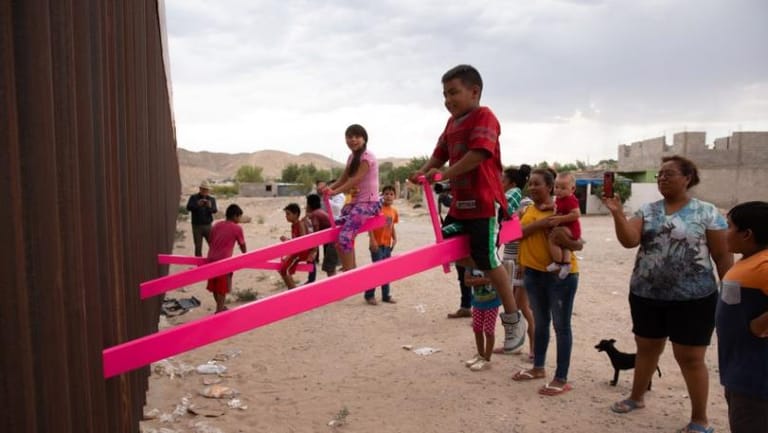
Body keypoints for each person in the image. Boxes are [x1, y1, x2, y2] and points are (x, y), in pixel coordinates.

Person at [603, 155, 733, 433]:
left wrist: (728, 296)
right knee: (647, 348)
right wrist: (616, 213)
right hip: (646, 295)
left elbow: (722, 257)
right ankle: (636, 397)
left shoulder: (707, 212)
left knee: (690, 358)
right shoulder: (647, 211)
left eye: (669, 174)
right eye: (659, 175)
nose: (662, 178)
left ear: (687, 178)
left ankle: (700, 419)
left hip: (695, 299)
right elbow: (629, 241)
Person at [410, 64, 525, 352]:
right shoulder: (451, 125)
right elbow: (438, 155)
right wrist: (422, 173)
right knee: (445, 248)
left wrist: (443, 175)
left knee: (485, 257)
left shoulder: (484, 116)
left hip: (483, 203)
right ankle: (497, 268)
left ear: (474, 92)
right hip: (461, 205)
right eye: (444, 95)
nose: (448, 100)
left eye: (453, 93)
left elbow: (478, 154)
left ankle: (512, 319)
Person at [511, 168, 583, 396]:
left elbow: (578, 243)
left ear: (550, 187)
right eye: (530, 183)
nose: (532, 187)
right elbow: (514, 235)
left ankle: (561, 378)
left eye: (537, 184)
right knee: (541, 322)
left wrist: (565, 239)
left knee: (561, 327)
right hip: (533, 274)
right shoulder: (528, 209)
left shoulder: (560, 208)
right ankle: (538, 367)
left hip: (559, 276)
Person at [716, 201, 768, 433]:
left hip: (755, 378)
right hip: (739, 369)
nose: (724, 232)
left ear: (747, 234)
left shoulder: (764, 265)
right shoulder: (751, 260)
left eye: (728, 226)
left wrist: (759, 326)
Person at [319, 124, 380, 273]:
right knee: (336, 231)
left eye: (357, 137)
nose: (353, 140)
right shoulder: (352, 157)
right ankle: (351, 267)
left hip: (368, 202)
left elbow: (354, 180)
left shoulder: (367, 157)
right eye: (349, 137)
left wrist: (334, 192)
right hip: (355, 202)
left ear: (364, 139)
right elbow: (343, 178)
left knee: (345, 236)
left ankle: (348, 271)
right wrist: (330, 188)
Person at [498, 164, 535, 357]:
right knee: (511, 304)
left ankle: (534, 349)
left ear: (512, 183)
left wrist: (523, 263)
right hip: (510, 258)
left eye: (503, 180)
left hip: (520, 261)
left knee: (522, 306)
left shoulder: (524, 203)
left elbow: (526, 234)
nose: (500, 183)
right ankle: (512, 343)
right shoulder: (507, 202)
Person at [205, 204, 246, 313]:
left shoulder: (216, 225)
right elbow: (242, 244)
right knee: (222, 288)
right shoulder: (237, 228)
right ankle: (219, 311)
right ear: (235, 216)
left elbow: (210, 240)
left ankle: (220, 307)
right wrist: (245, 254)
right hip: (223, 261)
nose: (240, 220)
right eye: (239, 217)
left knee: (215, 286)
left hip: (211, 259)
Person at [543, 172, 582, 279]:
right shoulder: (560, 199)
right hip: (568, 228)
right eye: (556, 187)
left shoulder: (570, 199)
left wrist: (560, 219)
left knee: (553, 238)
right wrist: (548, 207)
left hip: (571, 228)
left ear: (572, 189)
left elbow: (577, 214)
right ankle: (566, 264)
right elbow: (556, 206)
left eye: (563, 188)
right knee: (563, 245)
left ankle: (558, 263)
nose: (558, 190)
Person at [365, 185, 399, 305]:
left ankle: (386, 295)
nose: (389, 196)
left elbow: (392, 225)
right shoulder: (377, 209)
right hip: (377, 245)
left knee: (386, 270)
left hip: (387, 245)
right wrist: (372, 240)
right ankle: (369, 295)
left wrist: (395, 238)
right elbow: (369, 224)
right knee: (377, 270)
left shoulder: (394, 211)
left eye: (391, 194)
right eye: (386, 194)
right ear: (382, 196)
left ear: (394, 196)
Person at [463, 268, 501, 371]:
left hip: (492, 303)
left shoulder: (492, 263)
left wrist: (475, 281)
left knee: (489, 331)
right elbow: (466, 281)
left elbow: (497, 278)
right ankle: (480, 355)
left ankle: (487, 359)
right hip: (477, 302)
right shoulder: (470, 265)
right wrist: (485, 280)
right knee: (477, 329)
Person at [278, 203, 315, 290]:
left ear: (295, 214)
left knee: (285, 270)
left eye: (288, 214)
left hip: (302, 252)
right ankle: (291, 289)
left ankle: (293, 291)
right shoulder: (293, 225)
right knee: (282, 268)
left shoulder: (300, 224)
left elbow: (302, 241)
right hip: (297, 251)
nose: (286, 216)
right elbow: (295, 240)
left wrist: (287, 240)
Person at [304, 193, 337, 283]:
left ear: (310, 205)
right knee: (330, 267)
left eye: (307, 204)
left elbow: (316, 233)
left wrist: (313, 249)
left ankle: (334, 288)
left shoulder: (315, 214)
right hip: (332, 240)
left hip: (332, 243)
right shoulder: (320, 211)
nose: (305, 206)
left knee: (329, 267)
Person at [186, 181, 218, 256]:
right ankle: (199, 265)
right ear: (200, 189)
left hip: (208, 226)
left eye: (206, 190)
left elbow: (215, 210)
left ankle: (213, 262)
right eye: (203, 189)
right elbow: (188, 208)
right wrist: (197, 205)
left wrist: (210, 207)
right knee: (198, 247)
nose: (205, 191)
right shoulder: (193, 198)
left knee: (212, 245)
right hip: (197, 226)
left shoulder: (211, 199)